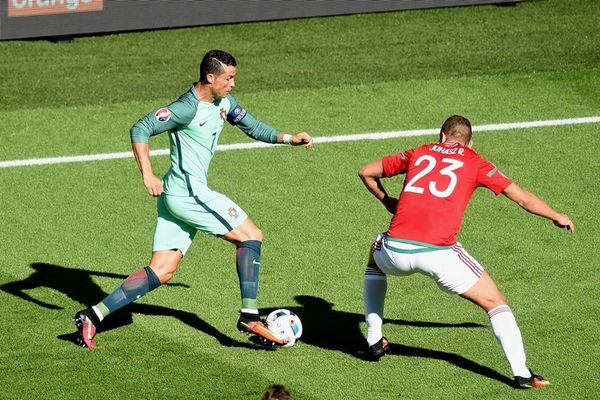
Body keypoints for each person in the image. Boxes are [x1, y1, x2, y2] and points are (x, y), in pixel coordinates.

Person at [73, 49, 313, 349]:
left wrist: (289, 138)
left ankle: (92, 316)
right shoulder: (186, 108)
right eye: (229, 78)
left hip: (177, 194)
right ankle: (249, 316)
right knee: (251, 236)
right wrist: (147, 174)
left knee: (162, 270)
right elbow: (141, 128)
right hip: (189, 194)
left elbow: (253, 126)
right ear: (210, 77)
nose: (233, 84)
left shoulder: (224, 103)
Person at [358, 115, 574, 388]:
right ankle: (522, 374)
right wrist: (556, 215)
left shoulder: (419, 152)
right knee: (495, 303)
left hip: (395, 251)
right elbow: (523, 198)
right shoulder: (475, 161)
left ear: (441, 136)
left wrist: (388, 201)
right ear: (470, 142)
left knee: (375, 258)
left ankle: (374, 338)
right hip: (439, 254)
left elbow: (366, 171)